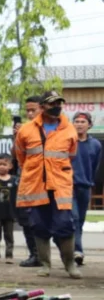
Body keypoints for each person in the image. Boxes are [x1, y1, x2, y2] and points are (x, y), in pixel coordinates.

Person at [14, 91, 80, 279]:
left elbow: (71, 155)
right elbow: (21, 156)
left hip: (60, 185)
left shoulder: (69, 130)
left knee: (65, 224)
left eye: (59, 103)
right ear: (42, 107)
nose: (56, 107)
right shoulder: (26, 130)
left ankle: (70, 265)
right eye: (52, 104)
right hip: (36, 185)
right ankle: (45, 265)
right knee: (39, 225)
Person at [15, 96, 43, 268]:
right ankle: (35, 254)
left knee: (43, 221)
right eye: (28, 110)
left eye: (34, 110)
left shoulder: (49, 129)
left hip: (43, 182)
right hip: (25, 180)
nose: (30, 113)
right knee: (26, 220)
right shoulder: (25, 130)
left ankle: (47, 256)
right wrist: (16, 136)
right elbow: (16, 155)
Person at [72, 112, 102, 264]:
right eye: (76, 121)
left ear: (89, 125)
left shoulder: (95, 144)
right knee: (74, 218)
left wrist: (90, 181)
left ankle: (74, 250)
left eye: (83, 121)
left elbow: (95, 166)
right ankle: (78, 250)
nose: (79, 124)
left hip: (85, 186)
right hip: (68, 186)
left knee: (80, 221)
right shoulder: (69, 142)